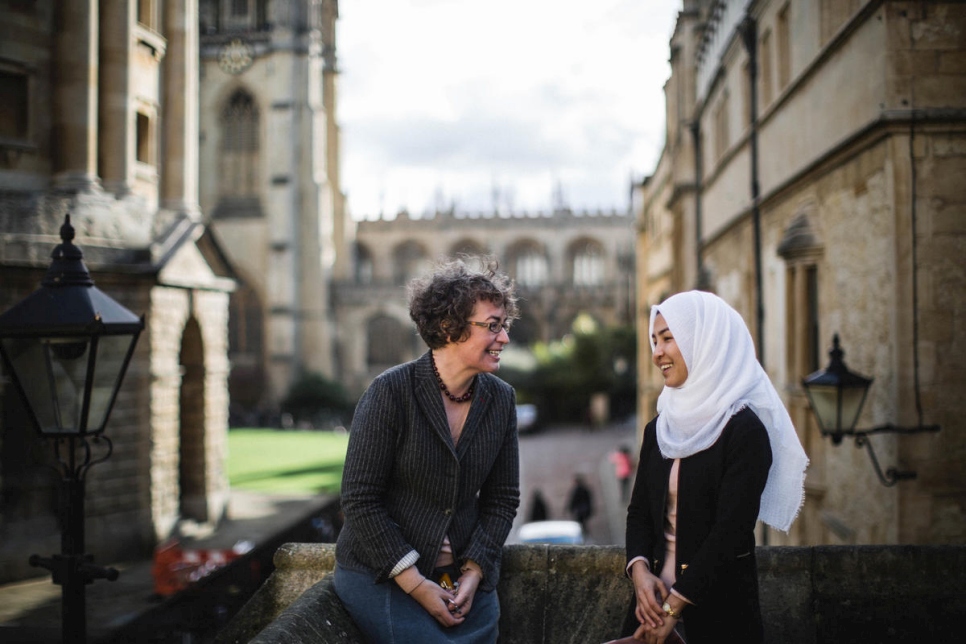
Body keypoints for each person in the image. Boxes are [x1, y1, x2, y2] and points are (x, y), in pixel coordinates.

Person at [334, 257, 521, 644]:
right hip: (382, 574)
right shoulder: (390, 392)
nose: (504, 338)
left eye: (504, 326)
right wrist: (415, 583)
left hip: (462, 581)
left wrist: (475, 571)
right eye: (493, 327)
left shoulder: (501, 399)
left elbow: (503, 498)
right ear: (450, 328)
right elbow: (359, 499)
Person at [623, 290, 808, 644]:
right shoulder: (659, 427)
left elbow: (731, 530)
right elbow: (640, 513)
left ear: (704, 342)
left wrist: (675, 606)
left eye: (667, 339)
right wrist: (640, 571)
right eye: (653, 340)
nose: (656, 352)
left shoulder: (745, 430)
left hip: (719, 614)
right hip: (650, 608)